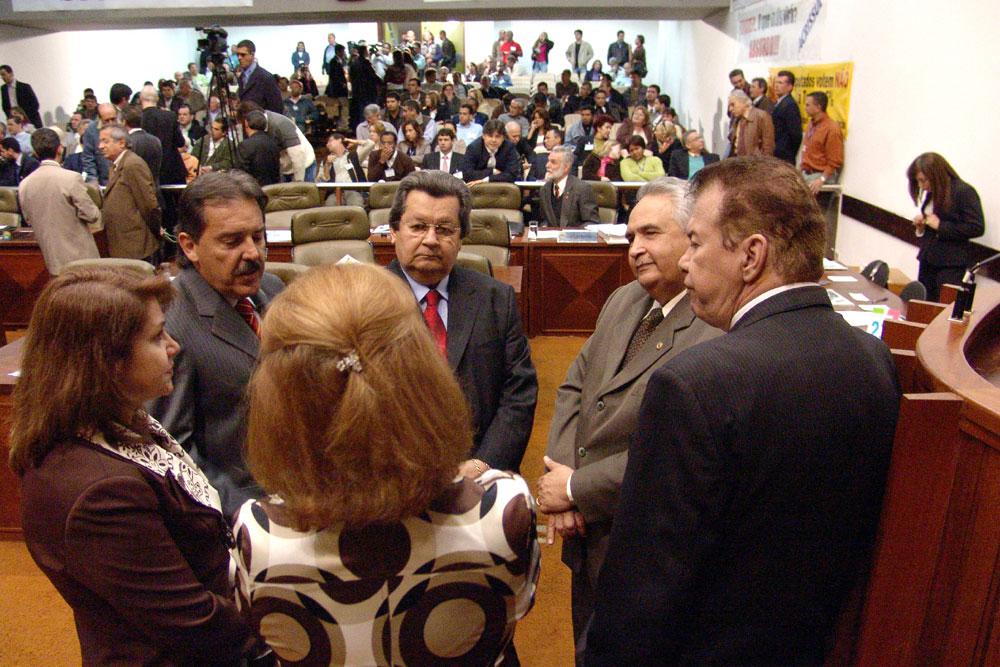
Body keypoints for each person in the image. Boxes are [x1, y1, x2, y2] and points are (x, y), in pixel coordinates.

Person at [585, 156, 901, 664]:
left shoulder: (694, 384)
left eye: (695, 243)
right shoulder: (875, 358)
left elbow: (644, 586)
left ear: (751, 256)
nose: (685, 262)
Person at [232, 262, 540, 665]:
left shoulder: (256, 535)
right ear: (427, 378)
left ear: (278, 399)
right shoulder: (506, 511)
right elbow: (520, 602)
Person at [12, 267, 256, 664]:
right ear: (106, 361)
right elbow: (192, 624)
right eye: (157, 337)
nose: (174, 346)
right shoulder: (99, 495)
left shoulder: (123, 421)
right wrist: (289, 627)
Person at [540, 177, 721, 662]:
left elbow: (674, 447)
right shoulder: (624, 300)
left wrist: (577, 488)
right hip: (586, 533)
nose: (636, 249)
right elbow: (575, 385)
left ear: (693, 237)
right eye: (631, 237)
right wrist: (561, 473)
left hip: (645, 542)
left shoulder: (714, 327)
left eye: (651, 234)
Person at [149, 171, 285, 518]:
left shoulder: (272, 289)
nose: (252, 253)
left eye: (258, 236)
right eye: (232, 241)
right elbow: (173, 450)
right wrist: (246, 513)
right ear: (189, 246)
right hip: (242, 510)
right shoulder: (170, 324)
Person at [387, 170, 538, 472]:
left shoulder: (495, 298)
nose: (431, 240)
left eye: (445, 229)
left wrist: (483, 464)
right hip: (391, 475)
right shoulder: (361, 301)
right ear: (394, 231)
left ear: (461, 239)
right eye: (418, 227)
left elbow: (519, 393)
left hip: (480, 470)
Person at [17, 129, 102, 275]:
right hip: (82, 259)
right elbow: (92, 215)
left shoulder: (24, 184)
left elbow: (28, 219)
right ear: (60, 149)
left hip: (52, 260)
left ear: (35, 152)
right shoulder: (71, 178)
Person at [907, 152, 986, 302]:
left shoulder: (963, 191)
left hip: (950, 265)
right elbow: (935, 219)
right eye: (918, 182)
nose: (921, 186)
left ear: (936, 174)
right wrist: (922, 226)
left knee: (942, 308)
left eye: (923, 180)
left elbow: (976, 227)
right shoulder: (933, 192)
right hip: (928, 260)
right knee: (923, 306)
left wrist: (941, 226)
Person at [98, 124, 161, 262]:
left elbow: (148, 204)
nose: (100, 146)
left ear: (121, 143)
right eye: (100, 141)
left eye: (105, 141)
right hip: (121, 241)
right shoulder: (116, 165)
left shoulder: (133, 164)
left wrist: (155, 230)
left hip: (135, 243)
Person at [537, 145, 599, 228]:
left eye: (553, 162)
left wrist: (571, 233)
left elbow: (592, 222)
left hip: (575, 236)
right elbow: (544, 220)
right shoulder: (545, 189)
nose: (547, 165)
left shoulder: (582, 189)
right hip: (552, 236)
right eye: (548, 161)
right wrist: (544, 227)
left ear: (566, 167)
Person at [800, 91, 845, 194]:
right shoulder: (811, 125)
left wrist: (822, 179)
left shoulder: (832, 128)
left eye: (808, 105)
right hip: (807, 173)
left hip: (820, 176)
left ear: (818, 107)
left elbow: (835, 161)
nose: (805, 108)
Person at [461, 119, 521, 185]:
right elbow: (467, 175)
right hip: (476, 187)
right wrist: (492, 171)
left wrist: (487, 179)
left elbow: (512, 175)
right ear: (483, 136)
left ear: (503, 138)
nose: (493, 140)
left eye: (497, 137)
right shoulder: (473, 148)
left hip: (502, 187)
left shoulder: (509, 147)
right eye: (490, 136)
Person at [235, 39, 283, 114]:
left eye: (243, 55)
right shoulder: (241, 78)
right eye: (237, 55)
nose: (239, 58)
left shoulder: (265, 77)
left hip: (262, 119)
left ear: (252, 55)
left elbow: (277, 108)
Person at [317, 132, 364, 206]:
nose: (327, 144)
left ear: (339, 140)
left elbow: (370, 144)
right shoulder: (326, 161)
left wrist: (349, 140)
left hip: (353, 190)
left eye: (330, 141)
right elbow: (320, 181)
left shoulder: (354, 155)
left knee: (356, 206)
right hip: (334, 192)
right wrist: (327, 165)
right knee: (329, 207)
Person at [237, 110, 281, 186]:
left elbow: (242, 172)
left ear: (246, 124)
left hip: (254, 188)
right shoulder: (273, 142)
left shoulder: (245, 145)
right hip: (273, 188)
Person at [728, 89, 775, 157]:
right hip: (737, 160)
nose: (730, 109)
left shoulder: (762, 116)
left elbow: (768, 147)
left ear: (743, 102)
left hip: (755, 162)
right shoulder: (736, 119)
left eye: (733, 105)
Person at [772, 69, 803, 164]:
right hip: (776, 155)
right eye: (776, 82)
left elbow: (796, 135)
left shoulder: (790, 105)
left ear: (790, 87)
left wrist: (787, 154)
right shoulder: (779, 102)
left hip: (784, 157)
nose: (776, 86)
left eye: (780, 83)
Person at [1, 64, 43, 128]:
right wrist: (11, 117)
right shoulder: (3, 89)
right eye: (1, 75)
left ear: (11, 74)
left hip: (30, 120)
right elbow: (5, 106)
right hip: (15, 122)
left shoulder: (25, 87)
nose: (2, 77)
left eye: (4, 74)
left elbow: (35, 105)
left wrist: (23, 116)